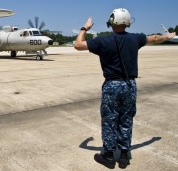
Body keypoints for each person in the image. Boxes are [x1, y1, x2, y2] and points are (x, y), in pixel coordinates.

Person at [74, 8, 176, 169]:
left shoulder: (103, 41)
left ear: (111, 22)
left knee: (109, 119)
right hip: (130, 85)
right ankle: (123, 155)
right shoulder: (135, 39)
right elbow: (155, 38)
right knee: (126, 119)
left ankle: (108, 155)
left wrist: (84, 28)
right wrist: (168, 36)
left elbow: (78, 45)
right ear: (128, 22)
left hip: (111, 85)